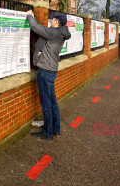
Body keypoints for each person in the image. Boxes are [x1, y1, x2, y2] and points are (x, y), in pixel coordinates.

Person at [26, 10, 71, 141]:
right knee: (51, 101)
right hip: (51, 70)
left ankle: (48, 133)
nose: (51, 21)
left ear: (57, 22)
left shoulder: (54, 33)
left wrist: (30, 16)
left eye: (53, 20)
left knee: (46, 102)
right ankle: (55, 128)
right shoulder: (61, 33)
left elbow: (35, 27)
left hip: (45, 70)